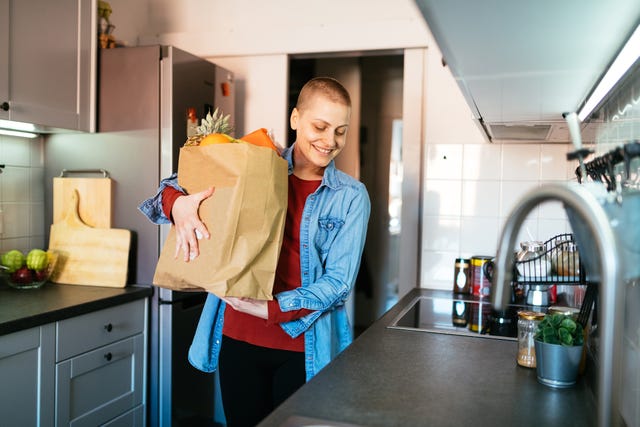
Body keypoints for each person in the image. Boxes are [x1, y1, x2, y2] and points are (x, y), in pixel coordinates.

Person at [139, 76, 370, 426]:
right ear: (295, 119)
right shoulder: (257, 161)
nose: (329, 140)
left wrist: (274, 309)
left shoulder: (352, 196)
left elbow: (338, 282)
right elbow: (167, 189)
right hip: (237, 337)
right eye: (320, 126)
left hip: (304, 348)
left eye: (340, 131)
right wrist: (179, 206)